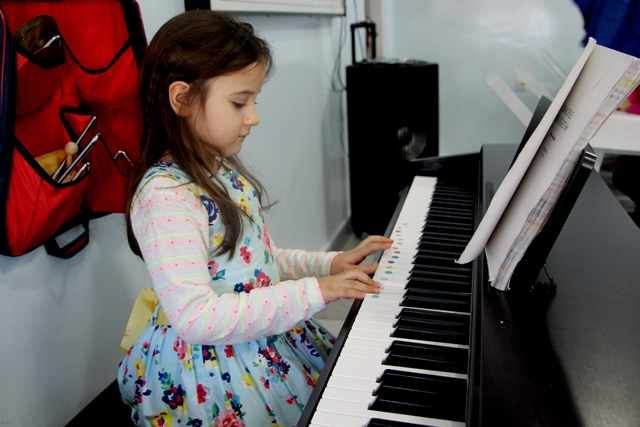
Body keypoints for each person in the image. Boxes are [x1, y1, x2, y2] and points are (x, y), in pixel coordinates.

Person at [117, 10, 393, 427]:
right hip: (217, 372)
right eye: (239, 102)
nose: (254, 117)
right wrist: (316, 291)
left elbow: (259, 260)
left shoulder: (218, 169)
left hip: (264, 337)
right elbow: (197, 318)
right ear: (182, 99)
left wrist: (329, 264)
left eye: (254, 101)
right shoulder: (166, 197)